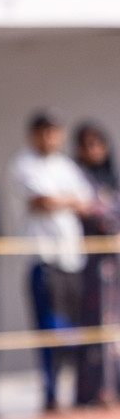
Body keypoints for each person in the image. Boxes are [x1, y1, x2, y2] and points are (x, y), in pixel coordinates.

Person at [9, 111, 94, 411]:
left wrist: (64, 200)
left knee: (75, 329)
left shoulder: (65, 165)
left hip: (72, 259)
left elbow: (87, 202)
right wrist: (68, 200)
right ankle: (51, 393)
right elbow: (43, 201)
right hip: (43, 260)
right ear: (34, 134)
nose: (52, 138)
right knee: (51, 331)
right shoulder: (24, 164)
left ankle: (74, 391)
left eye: (56, 132)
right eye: (46, 132)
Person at [72, 121, 118, 404]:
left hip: (116, 264)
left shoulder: (112, 179)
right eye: (86, 144)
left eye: (97, 142)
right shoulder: (77, 178)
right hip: (90, 266)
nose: (93, 150)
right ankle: (97, 389)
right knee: (96, 325)